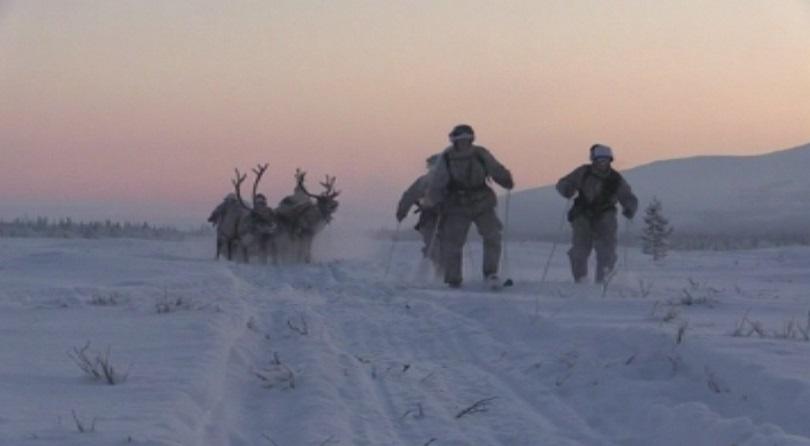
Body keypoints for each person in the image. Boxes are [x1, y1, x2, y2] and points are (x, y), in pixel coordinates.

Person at [425, 124, 514, 288]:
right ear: (454, 140)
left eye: (466, 139)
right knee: (453, 241)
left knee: (493, 235)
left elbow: (495, 168)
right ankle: (453, 278)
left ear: (471, 139)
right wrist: (434, 201)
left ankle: (491, 274)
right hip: (456, 204)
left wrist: (505, 179)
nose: (463, 142)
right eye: (460, 139)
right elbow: (438, 181)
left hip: (483, 201)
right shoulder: (447, 157)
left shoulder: (480, 153)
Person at [556, 144, 638, 283]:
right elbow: (563, 183)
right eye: (599, 160)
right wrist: (567, 189)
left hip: (606, 215)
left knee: (607, 251)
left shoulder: (616, 179)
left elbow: (627, 196)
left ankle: (603, 282)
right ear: (593, 160)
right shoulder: (583, 172)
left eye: (606, 160)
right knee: (580, 250)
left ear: (610, 161)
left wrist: (630, 208)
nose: (602, 163)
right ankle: (581, 281)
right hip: (582, 214)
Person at [396, 154, 441, 272]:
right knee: (432, 246)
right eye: (433, 166)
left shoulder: (451, 182)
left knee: (449, 246)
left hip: (449, 219)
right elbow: (409, 196)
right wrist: (402, 212)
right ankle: (436, 271)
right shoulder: (423, 181)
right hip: (428, 218)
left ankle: (445, 273)